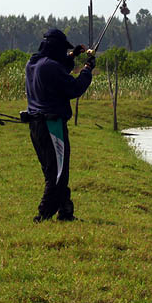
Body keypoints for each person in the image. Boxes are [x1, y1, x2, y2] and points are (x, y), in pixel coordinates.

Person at [24, 28, 95, 222]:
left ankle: (65, 212)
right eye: (63, 50)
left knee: (54, 169)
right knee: (57, 173)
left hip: (36, 126)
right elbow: (74, 88)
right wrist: (87, 70)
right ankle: (43, 215)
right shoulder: (51, 67)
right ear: (55, 48)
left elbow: (58, 66)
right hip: (52, 125)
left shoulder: (32, 63)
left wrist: (73, 55)